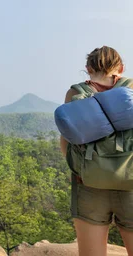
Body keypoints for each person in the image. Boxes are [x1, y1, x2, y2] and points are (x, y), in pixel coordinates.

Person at [60, 46, 133, 256]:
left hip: (89, 185)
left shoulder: (75, 94)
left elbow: (66, 143)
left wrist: (82, 171)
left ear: (87, 69)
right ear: (121, 67)